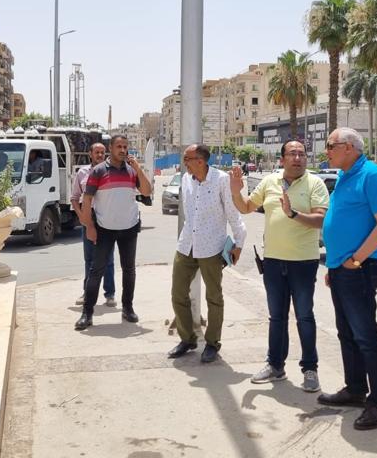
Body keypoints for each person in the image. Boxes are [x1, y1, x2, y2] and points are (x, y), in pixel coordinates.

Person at [229, 140, 328, 391]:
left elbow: (320, 220)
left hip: (303, 262)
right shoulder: (269, 182)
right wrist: (236, 191)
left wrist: (293, 213)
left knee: (304, 316)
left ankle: (310, 369)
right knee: (277, 317)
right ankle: (275, 365)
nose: (298, 158)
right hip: (273, 261)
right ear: (282, 159)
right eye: (292, 154)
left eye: (302, 154)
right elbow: (246, 207)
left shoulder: (315, 183)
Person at [317, 127, 377, 431]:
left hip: (359, 268)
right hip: (341, 269)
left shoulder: (372, 175)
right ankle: (355, 389)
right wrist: (335, 265)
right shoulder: (345, 175)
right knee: (346, 333)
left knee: (366, 336)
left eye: (330, 145)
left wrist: (356, 259)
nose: (326, 151)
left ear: (349, 147)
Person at [167, 144, 247, 364]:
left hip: (212, 247)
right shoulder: (186, 179)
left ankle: (212, 343)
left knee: (214, 297)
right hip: (186, 245)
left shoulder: (221, 180)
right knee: (177, 293)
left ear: (200, 161)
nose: (184, 163)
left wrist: (239, 243)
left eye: (187, 159)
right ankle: (187, 339)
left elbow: (233, 215)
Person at [75, 135, 152, 331]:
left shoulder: (132, 171)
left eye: (125, 146)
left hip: (129, 228)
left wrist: (138, 169)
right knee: (96, 271)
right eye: (119, 146)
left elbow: (146, 191)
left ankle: (128, 308)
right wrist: (89, 226)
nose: (123, 150)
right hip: (104, 229)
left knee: (129, 270)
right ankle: (87, 313)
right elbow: (87, 199)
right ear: (111, 148)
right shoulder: (99, 171)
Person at [71, 143, 117, 308]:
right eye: (96, 152)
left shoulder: (112, 172)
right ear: (90, 154)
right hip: (89, 218)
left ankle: (110, 294)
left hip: (107, 219)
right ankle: (87, 292)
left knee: (108, 259)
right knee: (89, 259)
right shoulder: (82, 173)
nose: (99, 155)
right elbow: (74, 198)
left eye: (102, 152)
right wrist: (81, 216)